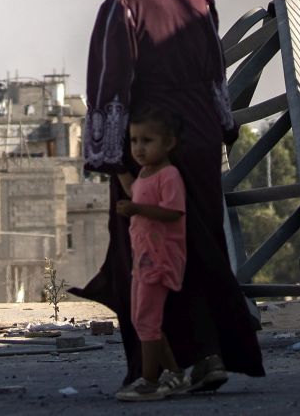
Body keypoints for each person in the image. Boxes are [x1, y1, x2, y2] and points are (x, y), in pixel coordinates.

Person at [75, 0, 264, 393]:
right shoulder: (200, 3)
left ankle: (154, 369)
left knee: (143, 257)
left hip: (150, 147)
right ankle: (210, 355)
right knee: (199, 247)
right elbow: (216, 80)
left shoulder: (123, 7)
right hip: (197, 143)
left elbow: (109, 89)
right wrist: (219, 133)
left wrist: (115, 162)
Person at [112, 108, 189, 401]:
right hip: (143, 258)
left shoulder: (169, 175)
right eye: (134, 141)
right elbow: (136, 191)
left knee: (146, 318)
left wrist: (136, 210)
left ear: (168, 144)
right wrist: (119, 170)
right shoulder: (145, 173)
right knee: (145, 318)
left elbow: (173, 212)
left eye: (147, 140)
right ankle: (174, 373)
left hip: (160, 258)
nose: (139, 148)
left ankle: (149, 381)